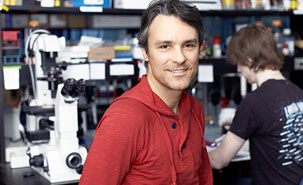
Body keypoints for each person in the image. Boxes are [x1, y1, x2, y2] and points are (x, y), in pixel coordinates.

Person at [79, 0, 213, 184]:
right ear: (145, 52)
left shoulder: (195, 109)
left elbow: (204, 179)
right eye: (165, 46)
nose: (180, 58)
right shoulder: (125, 118)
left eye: (188, 45)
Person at [209, 24, 303, 185]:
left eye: (239, 63)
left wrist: (194, 157)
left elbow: (219, 161)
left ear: (249, 60)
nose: (238, 69)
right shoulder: (298, 93)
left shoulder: (254, 102)